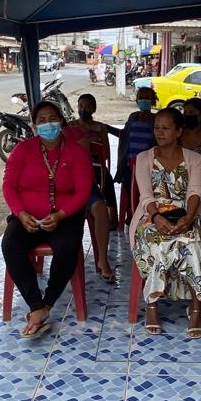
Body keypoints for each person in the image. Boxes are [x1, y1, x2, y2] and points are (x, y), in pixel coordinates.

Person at [2, 100, 94, 339]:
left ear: (62, 121)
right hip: (28, 218)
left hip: (64, 217)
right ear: (34, 126)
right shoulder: (23, 150)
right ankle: (35, 306)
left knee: (68, 247)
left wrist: (61, 215)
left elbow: (83, 192)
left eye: (52, 118)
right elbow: (9, 186)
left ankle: (48, 302)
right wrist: (21, 214)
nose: (48, 124)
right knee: (10, 244)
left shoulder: (76, 152)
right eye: (41, 120)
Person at [130, 107, 201, 338]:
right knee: (156, 243)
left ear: (179, 131)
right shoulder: (144, 158)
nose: (159, 132)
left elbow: (195, 191)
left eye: (166, 128)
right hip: (151, 215)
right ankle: (151, 306)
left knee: (193, 245)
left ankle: (196, 308)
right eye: (157, 127)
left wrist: (188, 218)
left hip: (188, 214)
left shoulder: (194, 159)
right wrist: (156, 218)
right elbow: (145, 196)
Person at [66, 93, 121, 278]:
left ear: (94, 108)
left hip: (90, 174)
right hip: (68, 183)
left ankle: (102, 260)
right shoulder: (70, 128)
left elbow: (105, 152)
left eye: (88, 106)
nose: (84, 109)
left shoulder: (98, 128)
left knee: (101, 203)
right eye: (81, 106)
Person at [115, 85, 158, 192]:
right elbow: (124, 135)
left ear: (153, 101)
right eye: (141, 97)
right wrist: (107, 128)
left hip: (149, 165)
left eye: (147, 98)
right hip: (130, 164)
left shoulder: (157, 119)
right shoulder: (133, 117)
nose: (143, 100)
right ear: (137, 100)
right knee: (130, 190)